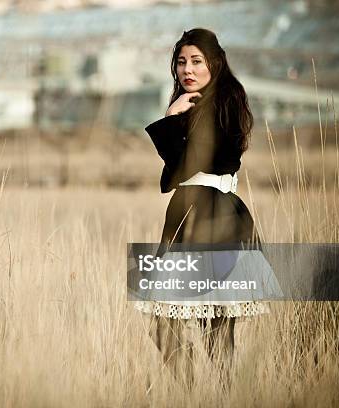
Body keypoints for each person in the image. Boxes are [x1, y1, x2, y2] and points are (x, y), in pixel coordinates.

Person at [135, 28, 270, 390]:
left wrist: (170, 120)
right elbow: (171, 179)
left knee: (214, 328)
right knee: (162, 323)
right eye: (181, 62)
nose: (187, 70)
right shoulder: (191, 105)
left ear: (215, 63)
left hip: (216, 215)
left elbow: (197, 162)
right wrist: (174, 116)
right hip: (185, 215)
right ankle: (196, 394)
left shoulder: (226, 100)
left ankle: (221, 395)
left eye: (196, 61)